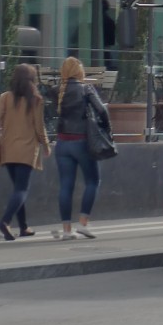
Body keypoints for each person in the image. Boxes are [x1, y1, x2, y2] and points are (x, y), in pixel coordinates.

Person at [0, 64, 51, 241]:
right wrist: (46, 145)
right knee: (22, 189)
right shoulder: (36, 100)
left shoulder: (5, 97)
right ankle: (5, 221)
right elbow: (39, 128)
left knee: (18, 188)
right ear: (32, 81)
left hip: (8, 150)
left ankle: (23, 227)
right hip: (27, 150)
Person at [54, 56, 107, 240]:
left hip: (61, 145)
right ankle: (83, 223)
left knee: (65, 186)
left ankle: (67, 230)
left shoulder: (58, 91)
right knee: (92, 181)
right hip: (82, 143)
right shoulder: (86, 89)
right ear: (80, 72)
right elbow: (102, 110)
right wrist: (106, 129)